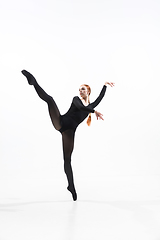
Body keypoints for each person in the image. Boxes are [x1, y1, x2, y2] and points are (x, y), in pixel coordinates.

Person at [21, 70, 115, 201]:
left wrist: (105, 85)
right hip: (60, 122)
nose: (80, 91)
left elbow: (100, 98)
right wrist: (94, 111)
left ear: (88, 91)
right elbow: (80, 107)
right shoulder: (76, 100)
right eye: (79, 89)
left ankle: (71, 186)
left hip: (69, 133)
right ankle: (33, 81)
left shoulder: (91, 105)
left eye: (83, 89)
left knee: (67, 160)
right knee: (50, 100)